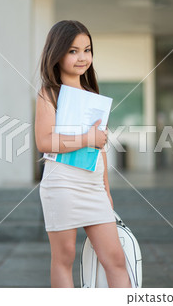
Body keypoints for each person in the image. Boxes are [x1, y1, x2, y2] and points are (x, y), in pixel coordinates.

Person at [34, 20, 132, 288]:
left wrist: (106, 189)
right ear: (57, 54)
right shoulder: (49, 93)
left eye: (87, 50)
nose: (82, 57)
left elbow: (98, 149)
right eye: (73, 51)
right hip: (62, 183)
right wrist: (87, 138)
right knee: (64, 257)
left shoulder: (91, 95)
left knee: (115, 259)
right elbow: (44, 141)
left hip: (93, 186)